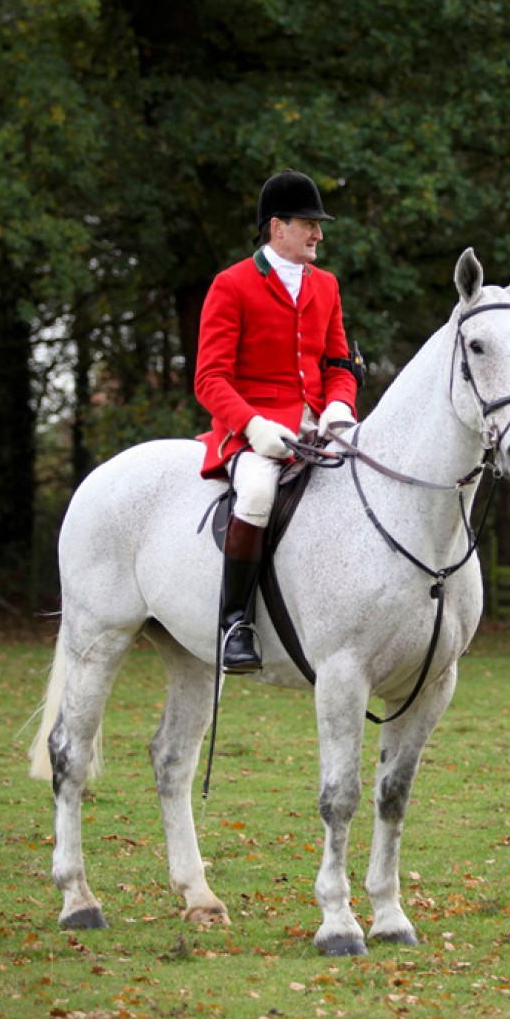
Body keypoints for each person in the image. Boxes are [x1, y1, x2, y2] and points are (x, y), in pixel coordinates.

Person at [195, 169, 359, 673]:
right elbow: (209, 379)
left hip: (317, 426)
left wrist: (339, 406)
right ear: (276, 228)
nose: (319, 234)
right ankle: (235, 624)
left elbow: (337, 365)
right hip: (251, 432)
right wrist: (253, 427)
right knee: (261, 493)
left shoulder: (326, 286)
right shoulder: (231, 284)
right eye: (308, 223)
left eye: (318, 224)